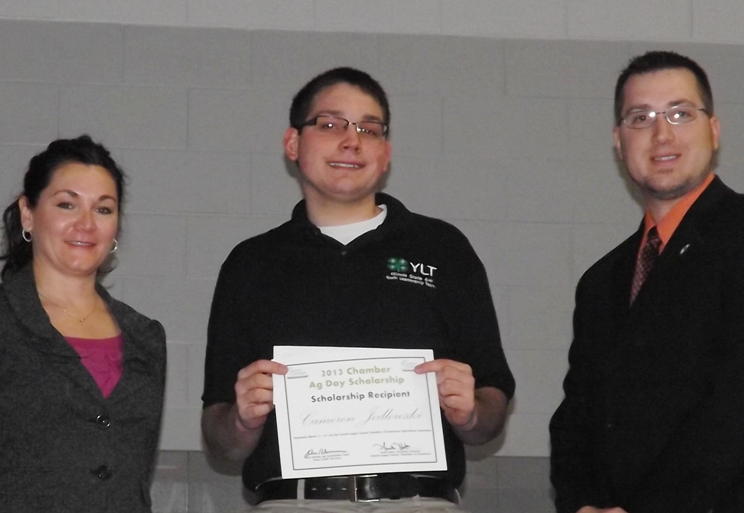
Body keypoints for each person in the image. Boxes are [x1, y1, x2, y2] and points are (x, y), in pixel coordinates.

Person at [202, 67, 515, 511]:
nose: (352, 141)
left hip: (419, 503)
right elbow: (220, 441)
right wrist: (241, 420)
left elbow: (492, 404)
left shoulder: (444, 249)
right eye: (330, 125)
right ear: (293, 144)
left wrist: (471, 412)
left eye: (369, 129)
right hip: (294, 503)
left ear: (385, 153)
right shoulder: (250, 264)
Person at [550, 51, 744, 513]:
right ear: (619, 142)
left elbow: (733, 406)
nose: (662, 134)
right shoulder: (601, 282)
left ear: (713, 130)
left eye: (680, 114)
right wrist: (582, 504)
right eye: (641, 118)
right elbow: (578, 416)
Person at [0, 135, 166, 513]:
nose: (86, 224)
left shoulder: (145, 336)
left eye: (103, 209)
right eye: (67, 204)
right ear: (28, 213)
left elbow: (133, 479)